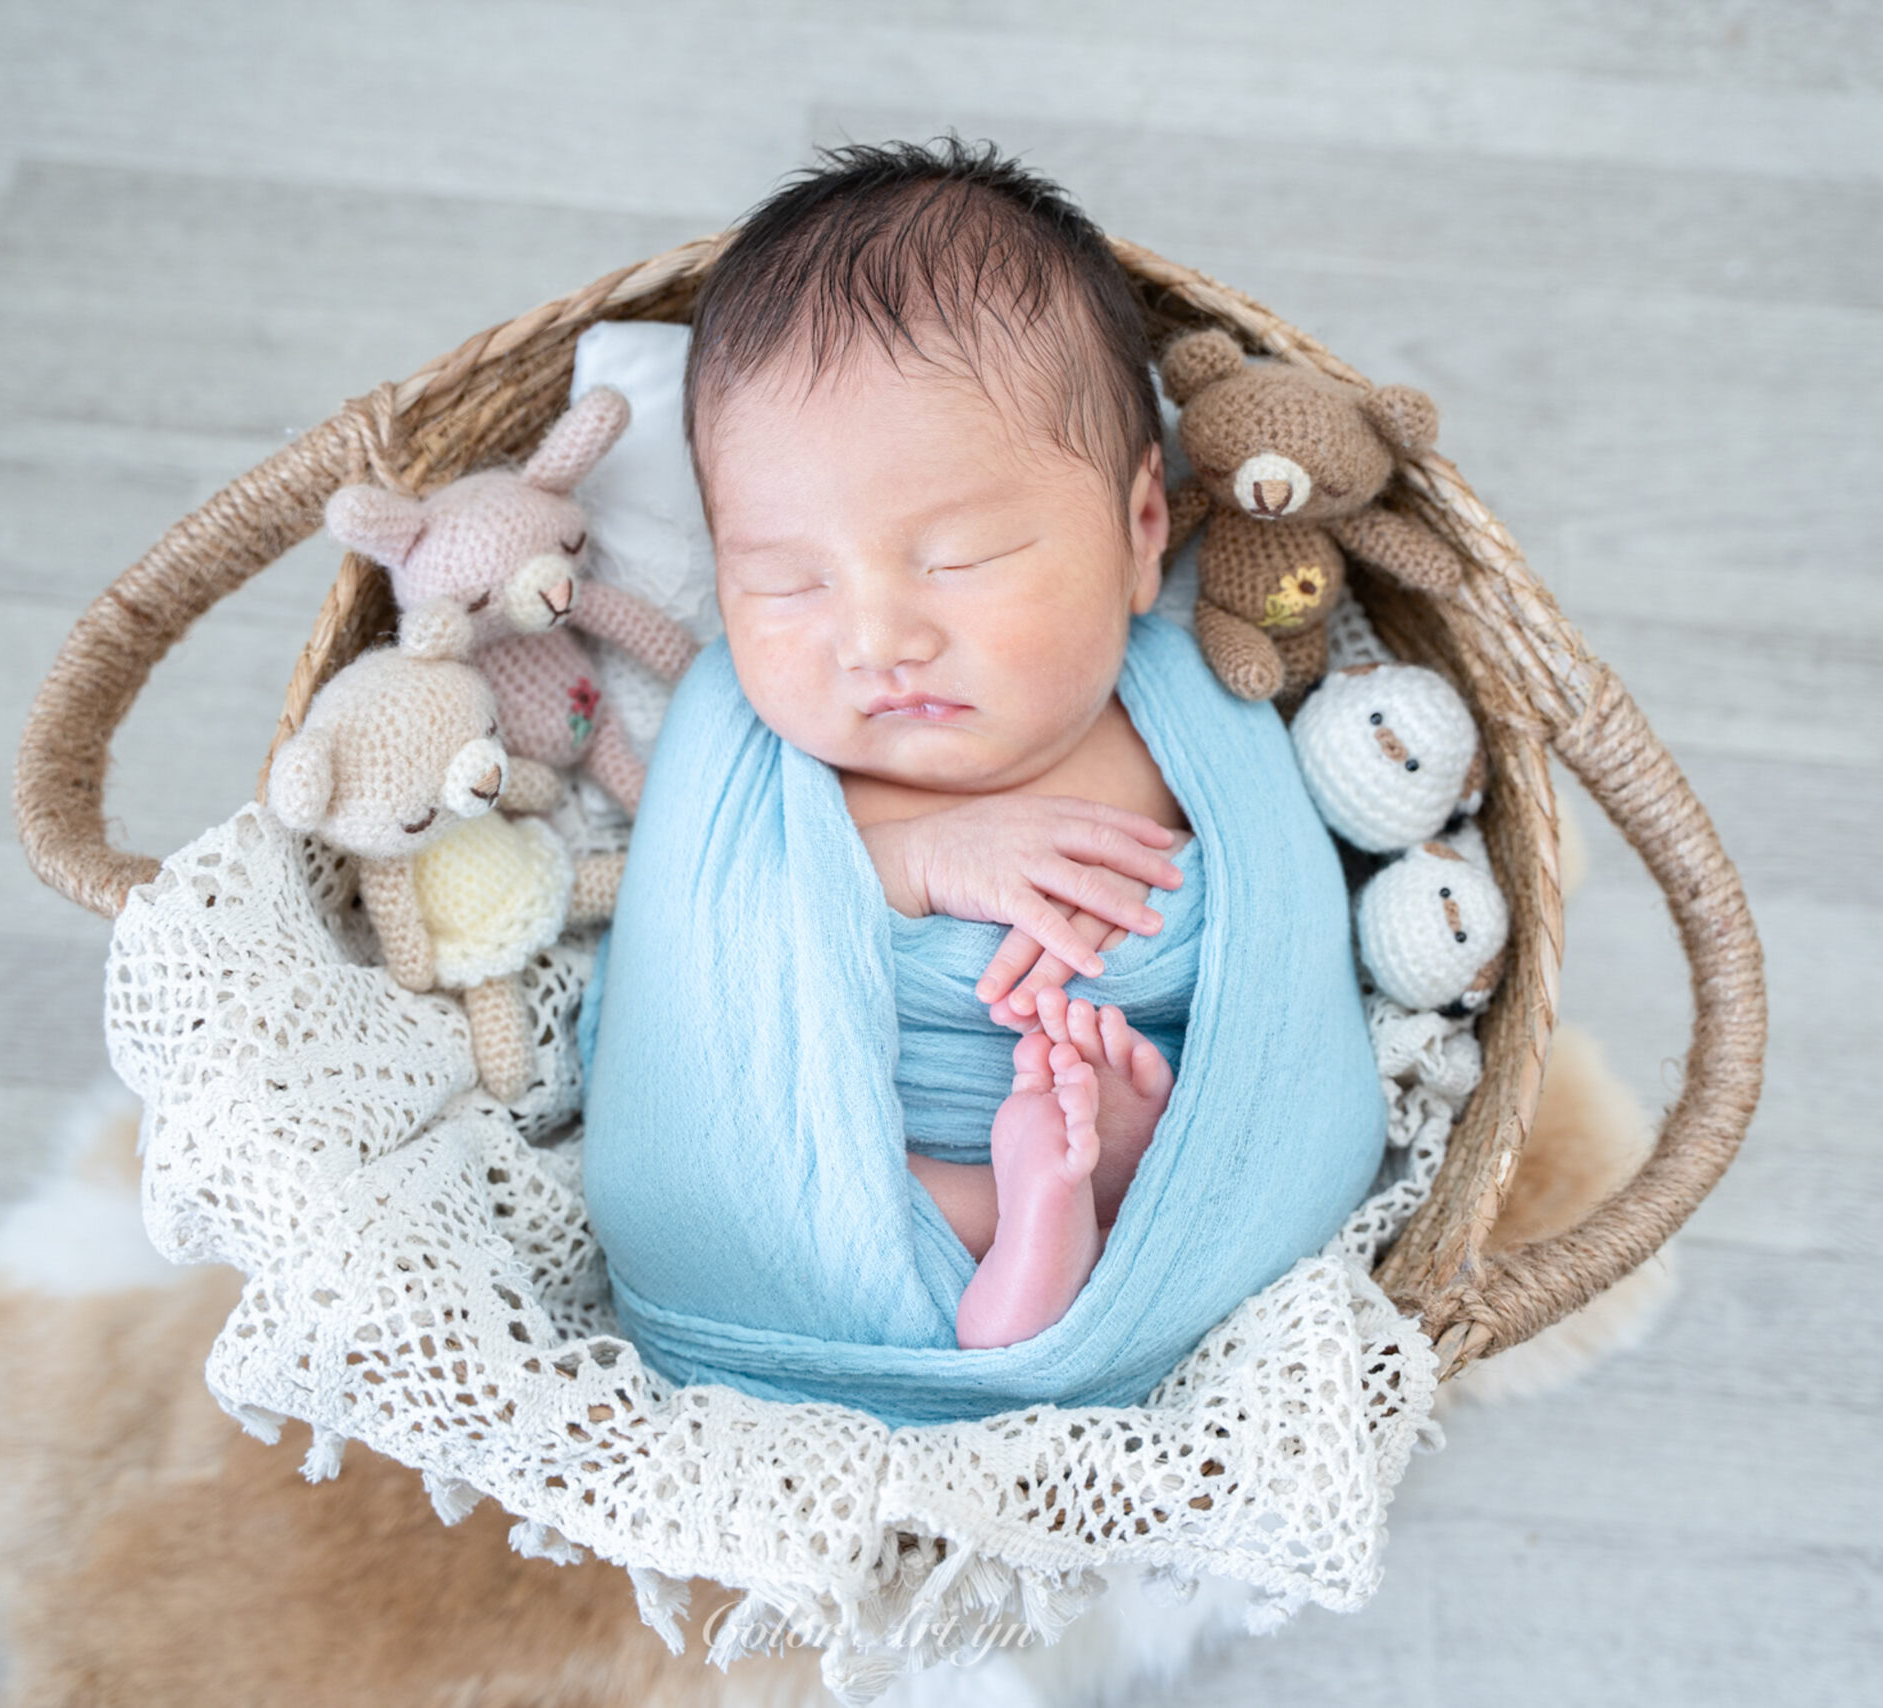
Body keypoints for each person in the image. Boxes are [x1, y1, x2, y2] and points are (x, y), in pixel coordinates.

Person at [579, 141, 1383, 1406]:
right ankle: (1021, 1234)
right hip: (842, 1173)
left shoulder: (1196, 709)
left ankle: (1090, 1201)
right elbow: (708, 952)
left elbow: (1277, 955)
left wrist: (1155, 1102)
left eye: (957, 559)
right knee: (819, 1173)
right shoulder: (742, 734)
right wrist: (916, 863)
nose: (876, 638)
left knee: (1143, 1102)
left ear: (1140, 531)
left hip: (1137, 1127)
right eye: (784, 580)